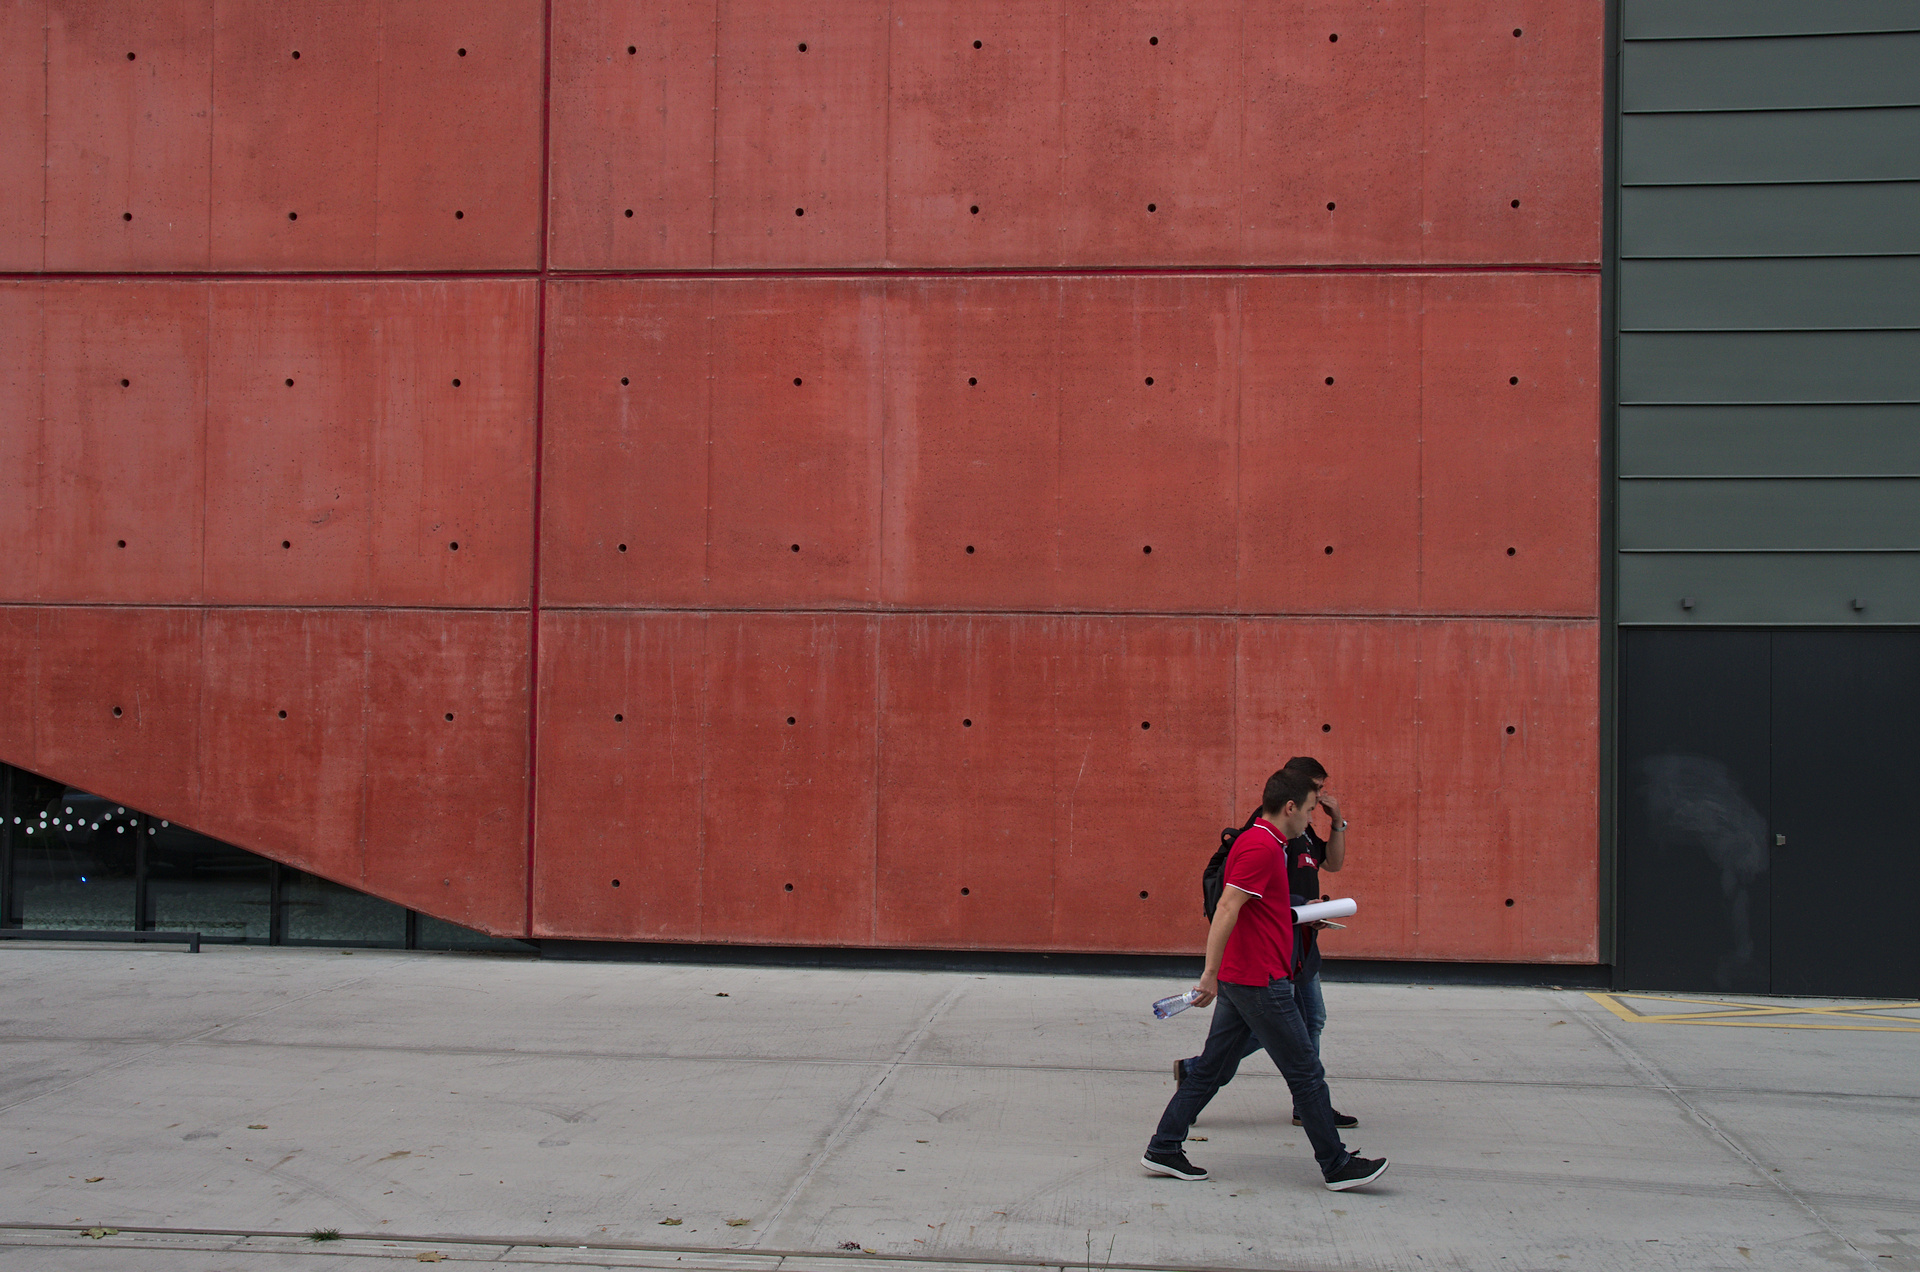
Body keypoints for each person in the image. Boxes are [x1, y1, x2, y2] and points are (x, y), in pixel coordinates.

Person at [1141, 768, 1389, 1191]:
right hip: (1258, 980)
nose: (1310, 818)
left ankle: (1163, 1148)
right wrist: (1209, 975)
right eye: (1309, 809)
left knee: (1210, 1070)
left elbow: (1259, 909)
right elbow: (1227, 908)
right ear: (1290, 807)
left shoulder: (1267, 842)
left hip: (1248, 977)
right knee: (1306, 1073)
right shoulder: (1261, 846)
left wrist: (1304, 915)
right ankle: (1336, 1165)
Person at [1175, 756, 1358, 1128]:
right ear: (1293, 796)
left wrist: (1337, 821)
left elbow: (1333, 863)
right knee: (1286, 1031)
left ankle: (1177, 1116)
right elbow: (1235, 902)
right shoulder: (1266, 835)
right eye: (1316, 790)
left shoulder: (1301, 829)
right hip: (1270, 952)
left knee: (1304, 1022)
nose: (1320, 798)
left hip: (1299, 940)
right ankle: (1316, 1120)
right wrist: (1211, 971)